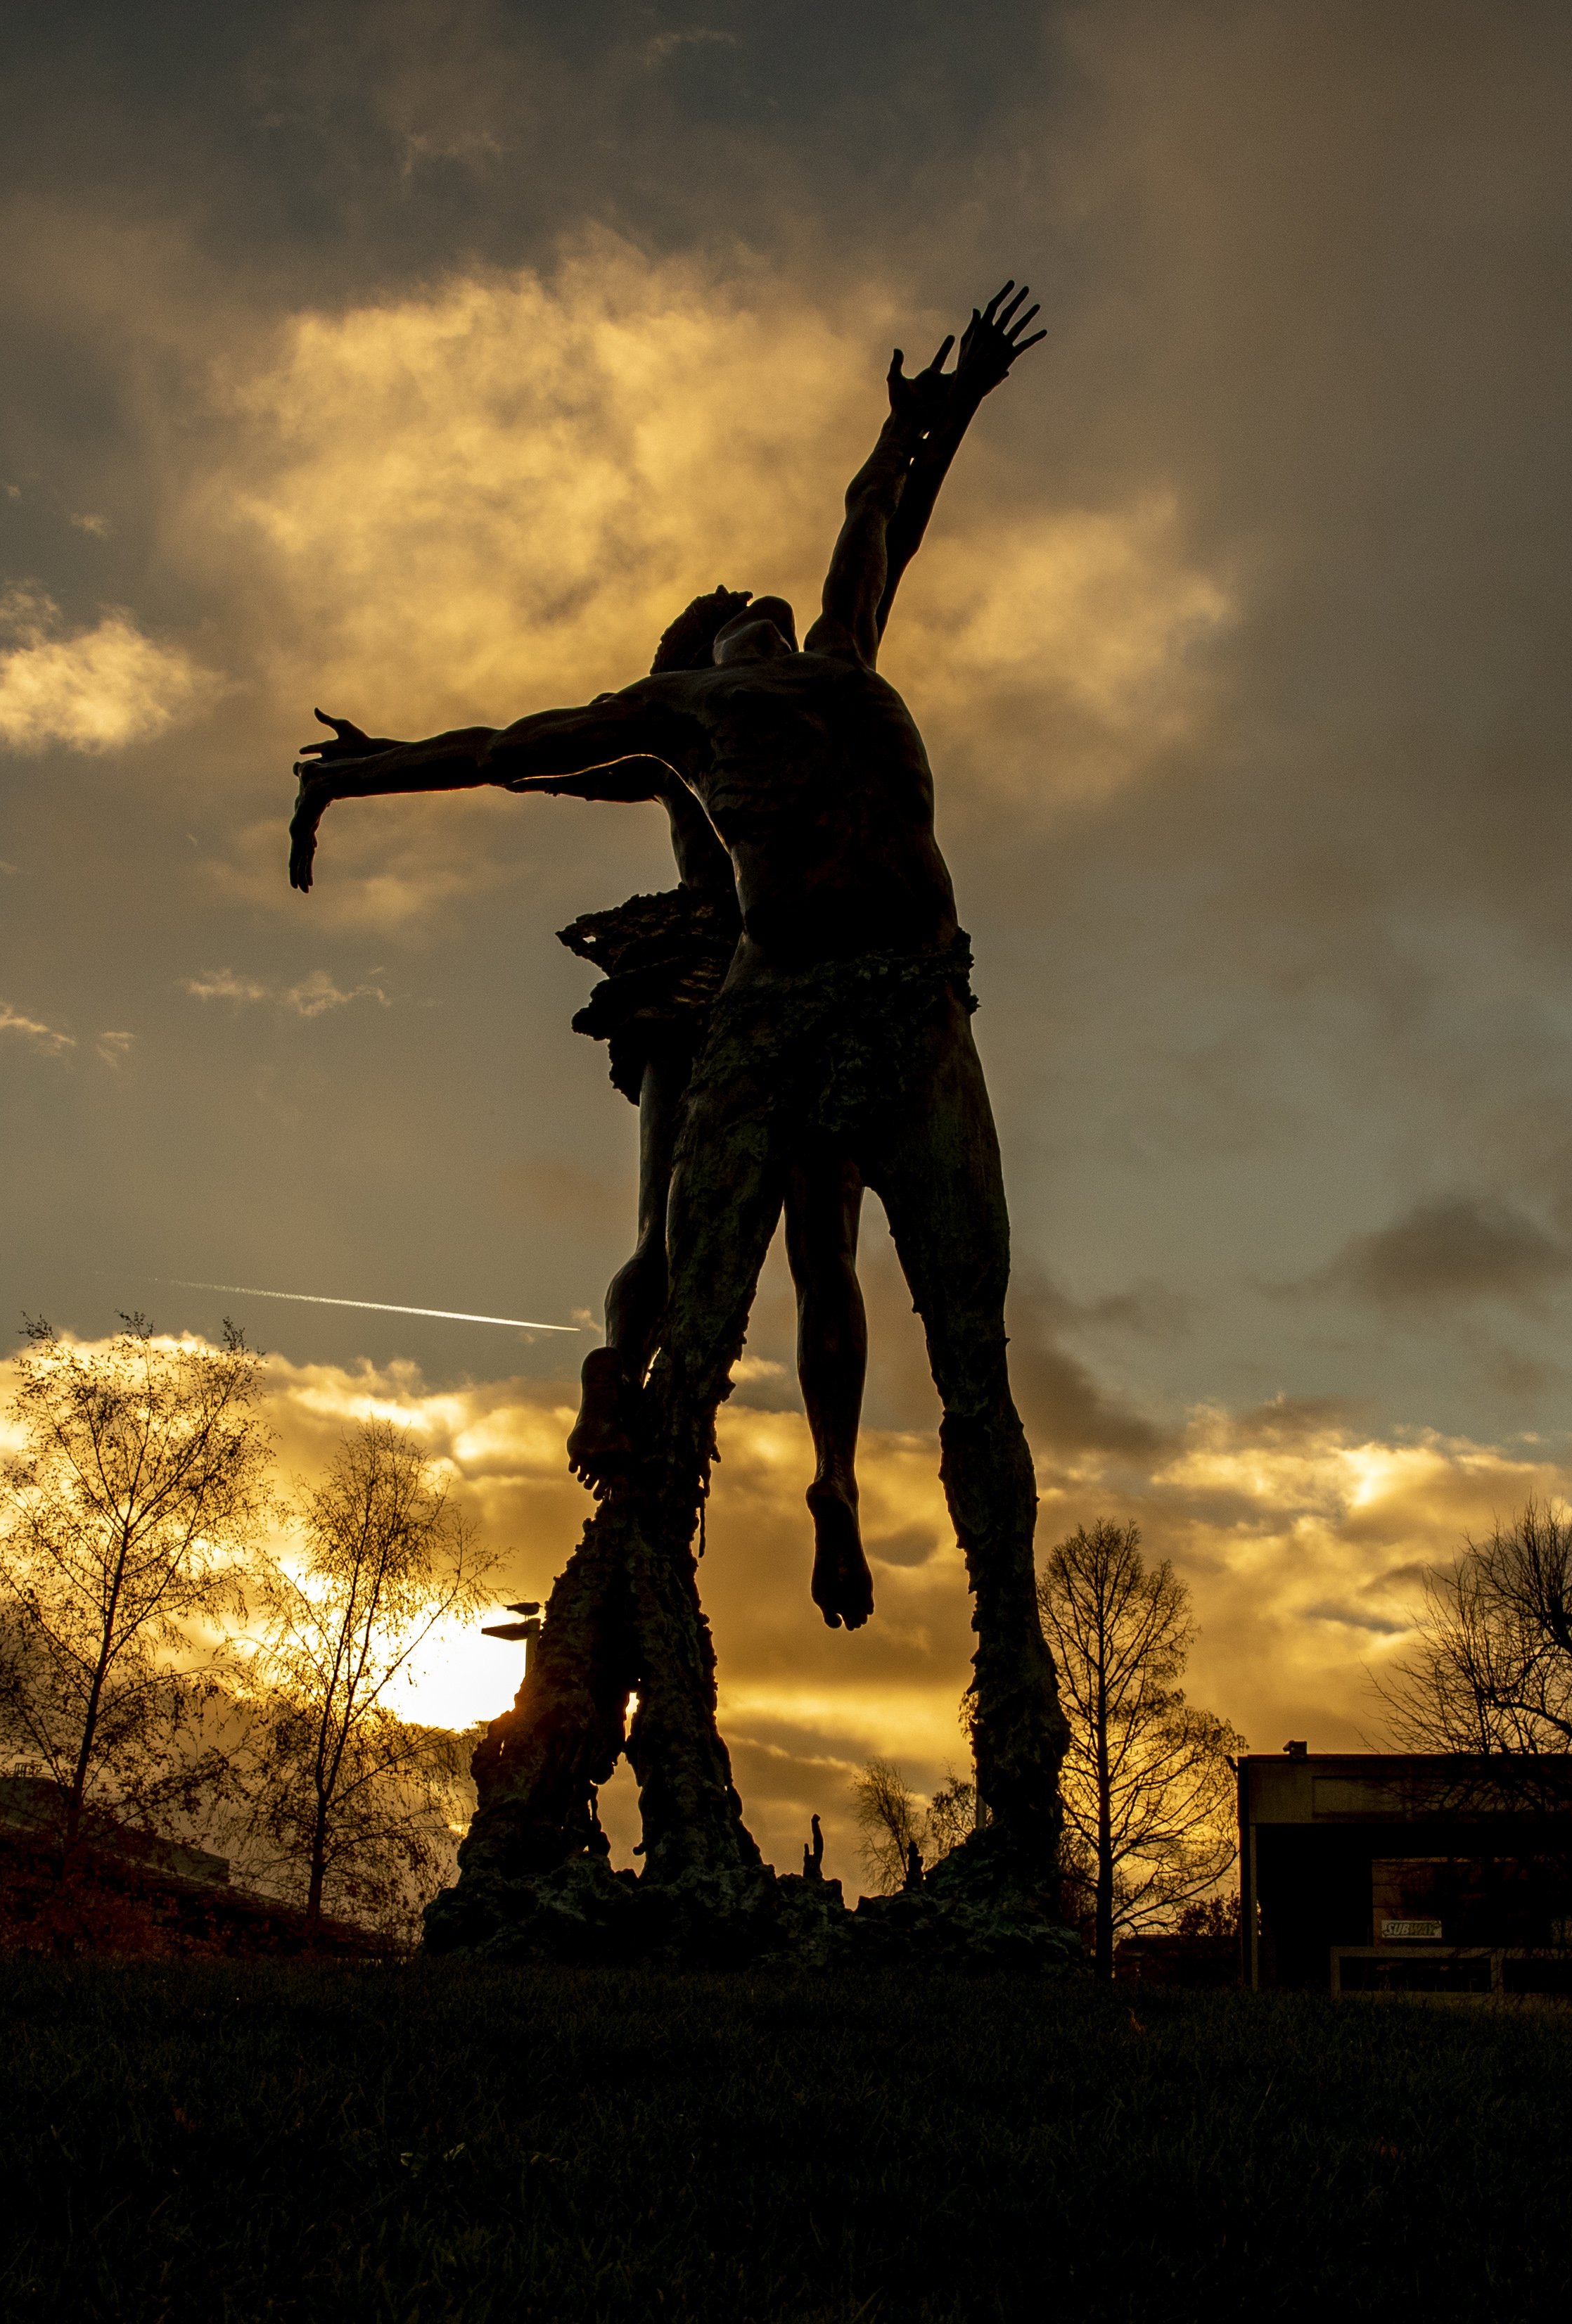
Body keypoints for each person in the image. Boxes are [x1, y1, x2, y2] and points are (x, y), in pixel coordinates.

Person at [284, 286, 1066, 1898]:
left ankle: (1023, 1797)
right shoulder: (676, 720)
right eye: (738, 616)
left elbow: (875, 527)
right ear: (699, 656)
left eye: (774, 610)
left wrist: (937, 406)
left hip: (914, 1009)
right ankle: (665, 1761)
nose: (769, 616)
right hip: (770, 1015)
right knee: (689, 1343)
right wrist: (360, 773)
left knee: (970, 1359)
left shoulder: (843, 660)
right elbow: (506, 741)